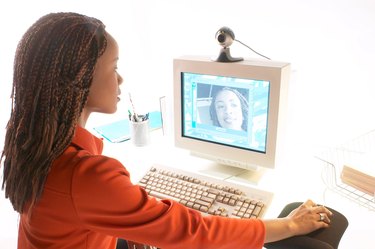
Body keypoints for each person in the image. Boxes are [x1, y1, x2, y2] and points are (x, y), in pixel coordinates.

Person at [1, 12, 333, 249]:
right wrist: (288, 225)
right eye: (114, 68)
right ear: (79, 80)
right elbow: (194, 232)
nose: (120, 80)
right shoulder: (87, 176)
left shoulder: (30, 139)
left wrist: (129, 225)